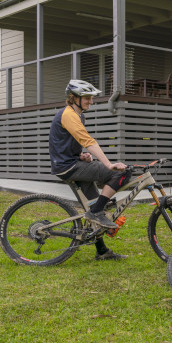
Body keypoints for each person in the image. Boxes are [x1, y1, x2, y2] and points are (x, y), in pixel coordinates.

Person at [49, 79, 130, 261]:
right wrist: (109, 164)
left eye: (91, 98)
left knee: (94, 203)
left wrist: (81, 155)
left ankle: (101, 251)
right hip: (68, 168)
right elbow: (88, 140)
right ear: (74, 98)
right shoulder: (69, 114)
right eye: (86, 98)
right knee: (120, 173)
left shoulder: (78, 115)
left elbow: (64, 143)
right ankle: (97, 212)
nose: (90, 101)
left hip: (71, 163)